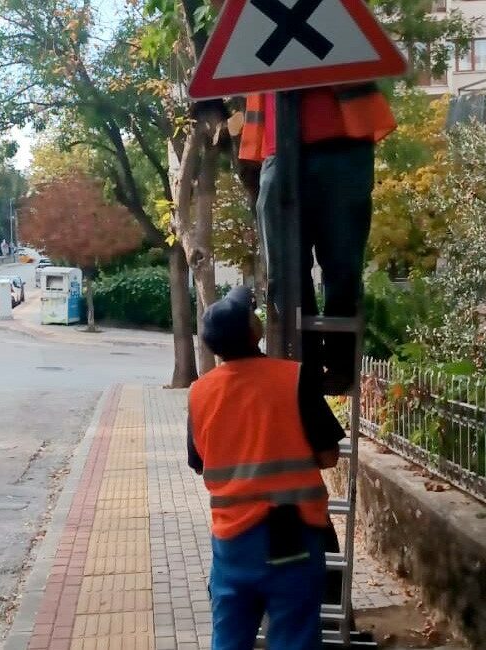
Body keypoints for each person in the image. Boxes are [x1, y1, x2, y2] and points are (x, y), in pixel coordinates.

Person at [188, 287, 345, 650]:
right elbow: (328, 457)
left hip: (232, 541)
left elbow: (200, 463)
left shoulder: (199, 392)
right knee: (294, 637)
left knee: (229, 638)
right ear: (254, 331)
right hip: (291, 536)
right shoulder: (294, 378)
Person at [241, 86, 395, 395]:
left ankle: (339, 366)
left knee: (343, 268)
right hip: (278, 150)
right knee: (283, 275)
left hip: (342, 143)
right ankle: (304, 364)